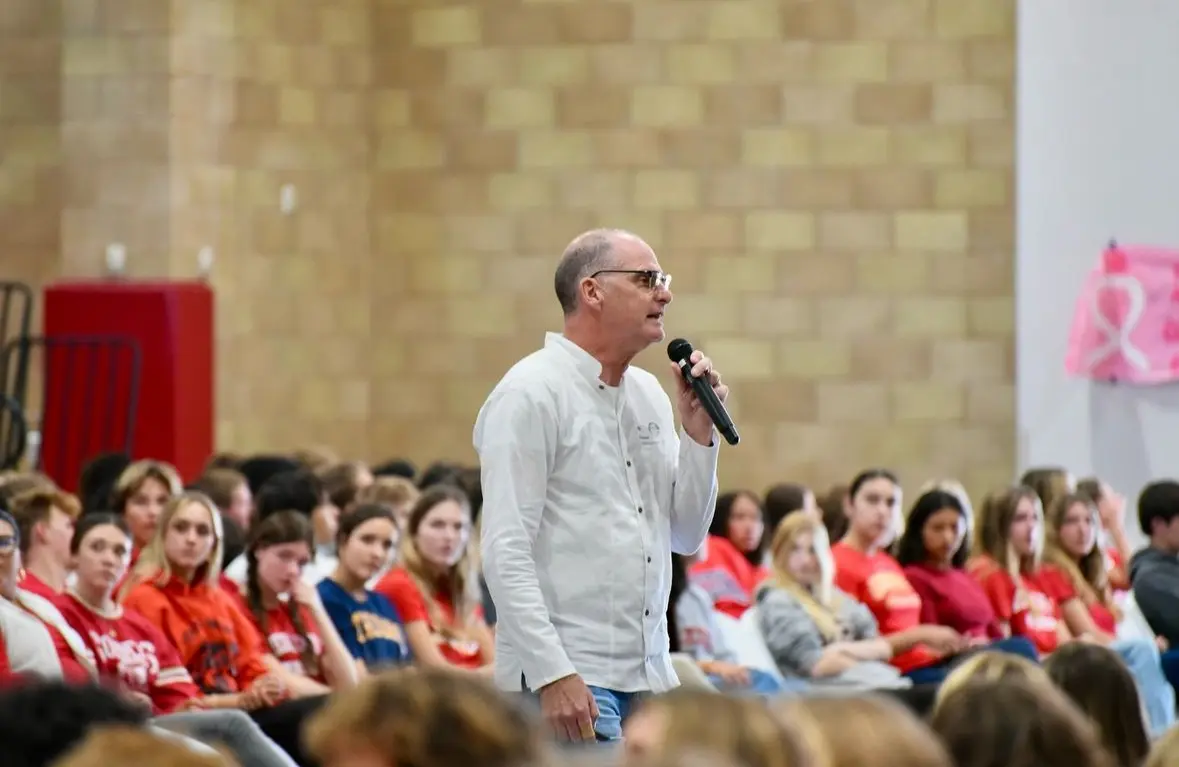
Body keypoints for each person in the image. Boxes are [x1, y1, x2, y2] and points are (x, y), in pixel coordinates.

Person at [475, 228, 727, 743]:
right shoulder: (530, 393)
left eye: (664, 279)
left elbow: (685, 537)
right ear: (592, 291)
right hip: (568, 676)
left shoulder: (649, 394)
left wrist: (699, 438)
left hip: (647, 672)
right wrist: (551, 672)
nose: (666, 293)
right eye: (647, 279)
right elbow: (505, 549)